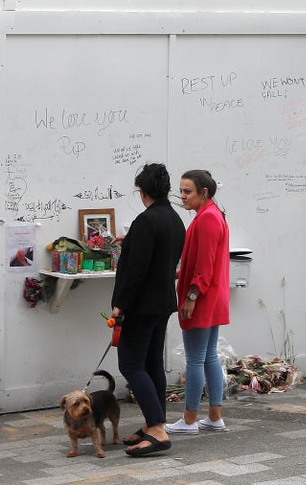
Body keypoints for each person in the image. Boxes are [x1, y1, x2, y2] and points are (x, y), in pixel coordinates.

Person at [110, 163, 186, 456]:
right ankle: (153, 423)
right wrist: (131, 243)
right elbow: (161, 256)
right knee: (152, 363)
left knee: (130, 365)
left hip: (141, 306)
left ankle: (156, 430)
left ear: (142, 191)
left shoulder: (146, 220)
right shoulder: (174, 219)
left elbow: (136, 271)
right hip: (163, 302)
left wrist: (120, 306)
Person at [165, 170, 230, 434]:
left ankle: (190, 420)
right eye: (180, 191)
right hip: (212, 296)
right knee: (208, 357)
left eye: (187, 191)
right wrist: (182, 273)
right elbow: (203, 261)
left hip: (202, 297)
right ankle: (214, 417)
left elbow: (205, 265)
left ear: (204, 192)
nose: (182, 196)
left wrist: (191, 296)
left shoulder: (207, 219)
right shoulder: (212, 215)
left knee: (195, 359)